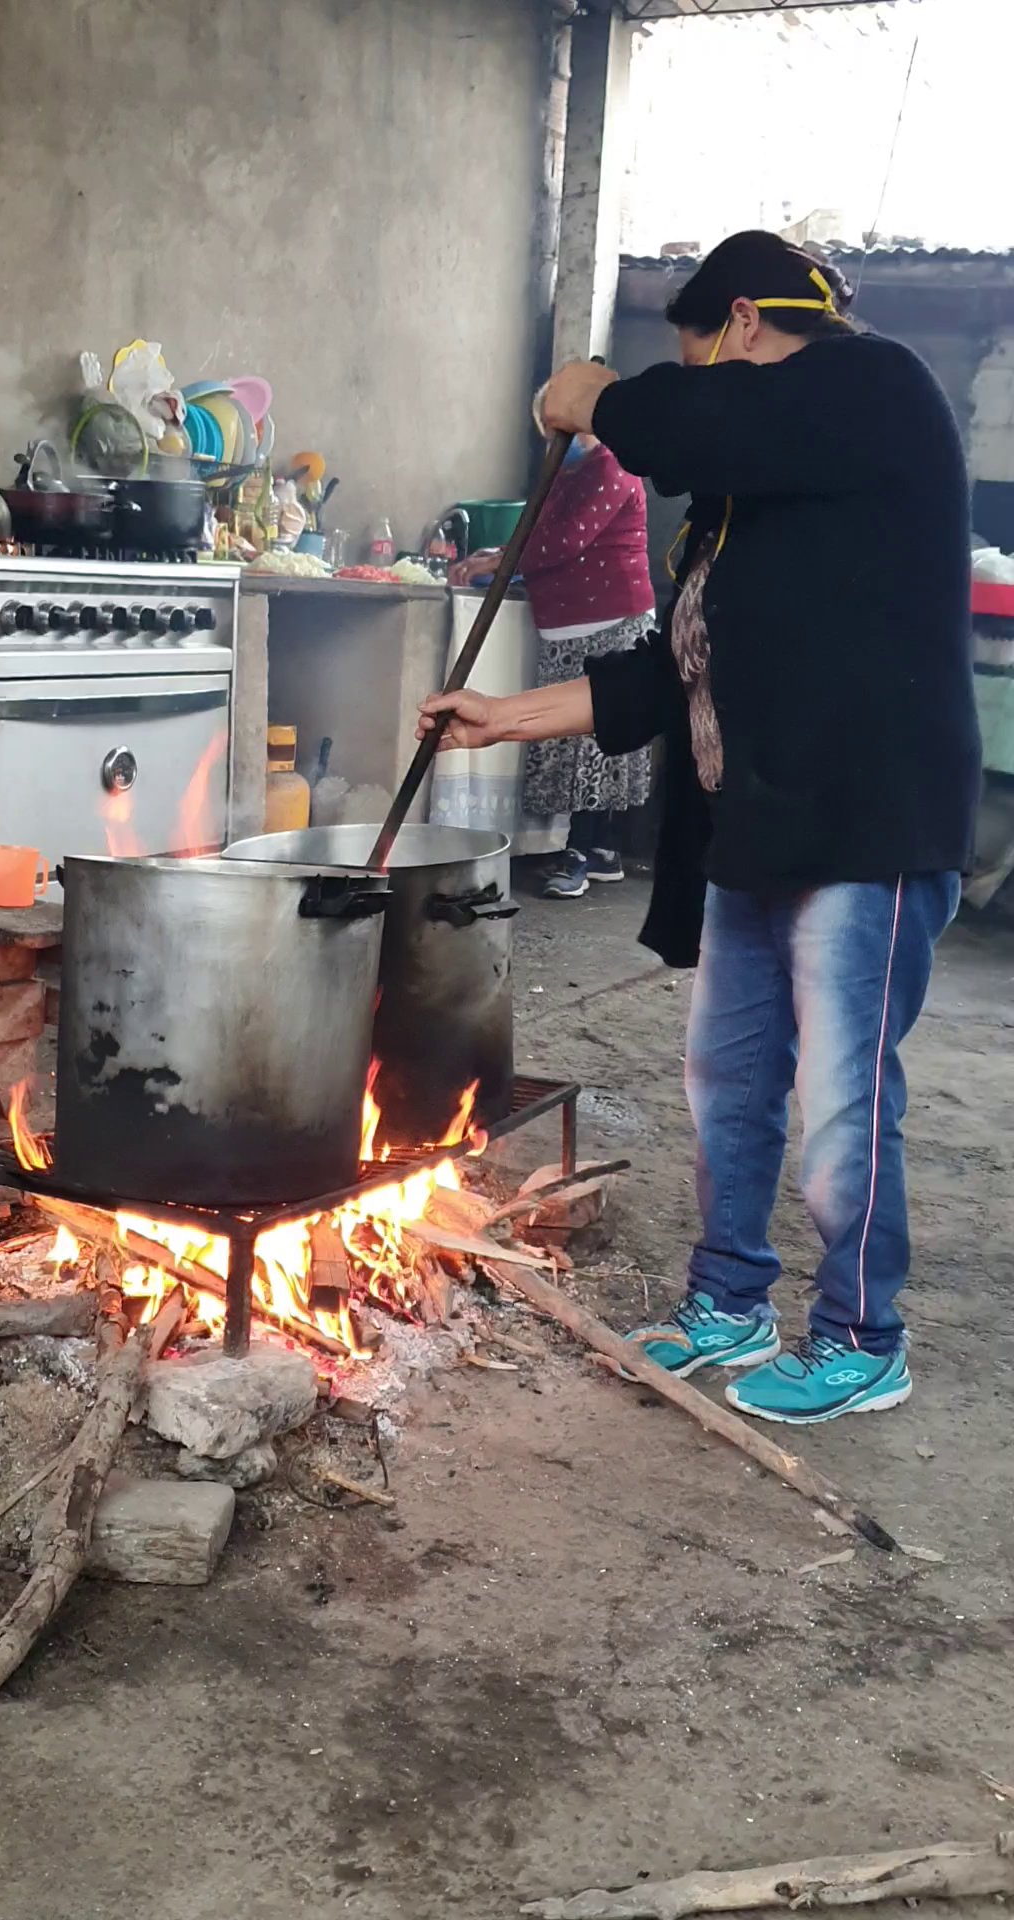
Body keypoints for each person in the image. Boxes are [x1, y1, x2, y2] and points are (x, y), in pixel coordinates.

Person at [420, 230, 981, 1426]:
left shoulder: (873, 387)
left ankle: (863, 1335)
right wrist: (500, 717)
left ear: (737, 326)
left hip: (866, 826)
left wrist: (593, 396)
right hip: (758, 829)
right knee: (727, 1082)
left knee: (839, 1097)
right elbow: (666, 674)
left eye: (695, 362)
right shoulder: (754, 508)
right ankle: (727, 1302)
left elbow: (687, 426)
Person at [453, 434, 656, 898]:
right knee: (576, 743)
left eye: (562, 426)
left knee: (593, 740)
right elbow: (540, 529)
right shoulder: (570, 472)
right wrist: (504, 556)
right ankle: (602, 851)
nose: (555, 438)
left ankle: (579, 853)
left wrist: (502, 560)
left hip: (609, 618)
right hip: (570, 622)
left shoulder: (612, 465)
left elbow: (567, 539)